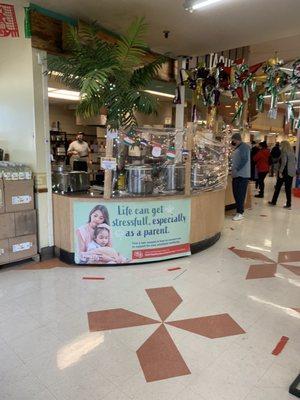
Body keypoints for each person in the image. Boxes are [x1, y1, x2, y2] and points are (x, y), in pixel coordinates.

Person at [269, 140, 296, 209]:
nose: (280, 146)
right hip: (291, 172)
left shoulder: (284, 152)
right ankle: (288, 204)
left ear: (284, 145)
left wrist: (280, 172)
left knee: (278, 187)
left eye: (281, 145)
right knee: (288, 189)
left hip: (285, 172)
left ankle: (274, 201)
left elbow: (284, 163)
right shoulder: (292, 152)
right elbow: (294, 162)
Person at [231, 132, 251, 221]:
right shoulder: (239, 147)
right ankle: (238, 211)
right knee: (236, 193)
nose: (233, 142)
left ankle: (240, 213)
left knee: (240, 194)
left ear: (236, 140)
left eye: (233, 140)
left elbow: (244, 159)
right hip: (238, 175)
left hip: (242, 175)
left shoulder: (244, 147)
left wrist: (237, 169)